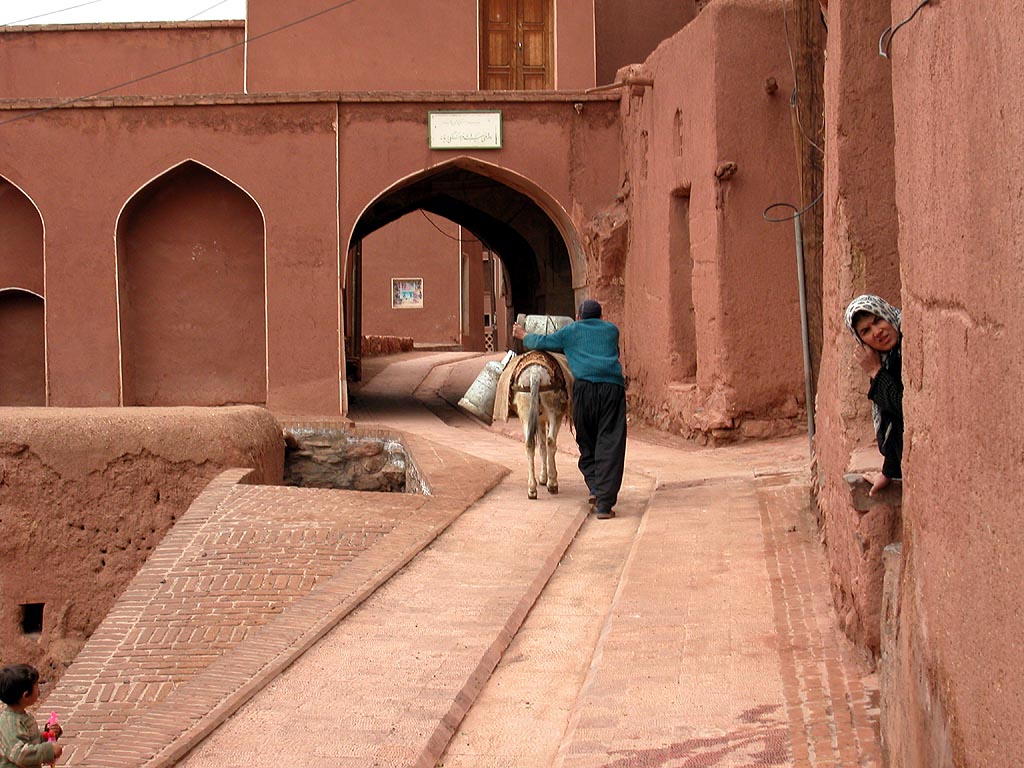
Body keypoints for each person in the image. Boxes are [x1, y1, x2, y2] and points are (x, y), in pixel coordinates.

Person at [512, 299, 626, 519]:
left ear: (580, 317)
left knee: (587, 441)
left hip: (583, 391)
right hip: (612, 389)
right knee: (610, 442)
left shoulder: (571, 331)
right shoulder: (612, 331)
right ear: (601, 316)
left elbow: (544, 341)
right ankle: (603, 502)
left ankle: (595, 487)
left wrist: (524, 335)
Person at [844, 294, 903, 496]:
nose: (877, 332)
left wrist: (877, 374)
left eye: (878, 319)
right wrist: (888, 472)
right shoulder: (887, 361)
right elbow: (895, 422)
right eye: (866, 331)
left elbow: (906, 409)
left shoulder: (908, 347)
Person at [0, 664, 62, 768]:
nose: (39, 690)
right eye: (36, 686)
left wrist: (49, 734)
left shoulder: (23, 716)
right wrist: (48, 750)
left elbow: (32, 742)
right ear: (26, 695)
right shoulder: (9, 724)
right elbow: (21, 755)